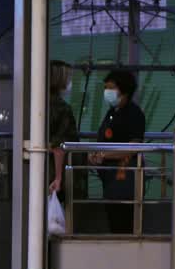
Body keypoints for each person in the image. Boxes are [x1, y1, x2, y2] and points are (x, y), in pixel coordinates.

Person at [89, 69, 146, 235]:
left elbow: (134, 146)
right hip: (109, 178)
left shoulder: (134, 114)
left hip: (124, 176)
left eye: (111, 88)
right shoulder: (112, 112)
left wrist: (105, 155)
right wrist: (95, 154)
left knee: (124, 222)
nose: (107, 92)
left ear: (124, 90)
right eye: (105, 88)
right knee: (113, 220)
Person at [47, 61, 79, 197]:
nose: (70, 83)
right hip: (56, 171)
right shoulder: (62, 108)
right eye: (69, 78)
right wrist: (59, 178)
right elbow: (59, 145)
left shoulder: (38, 103)